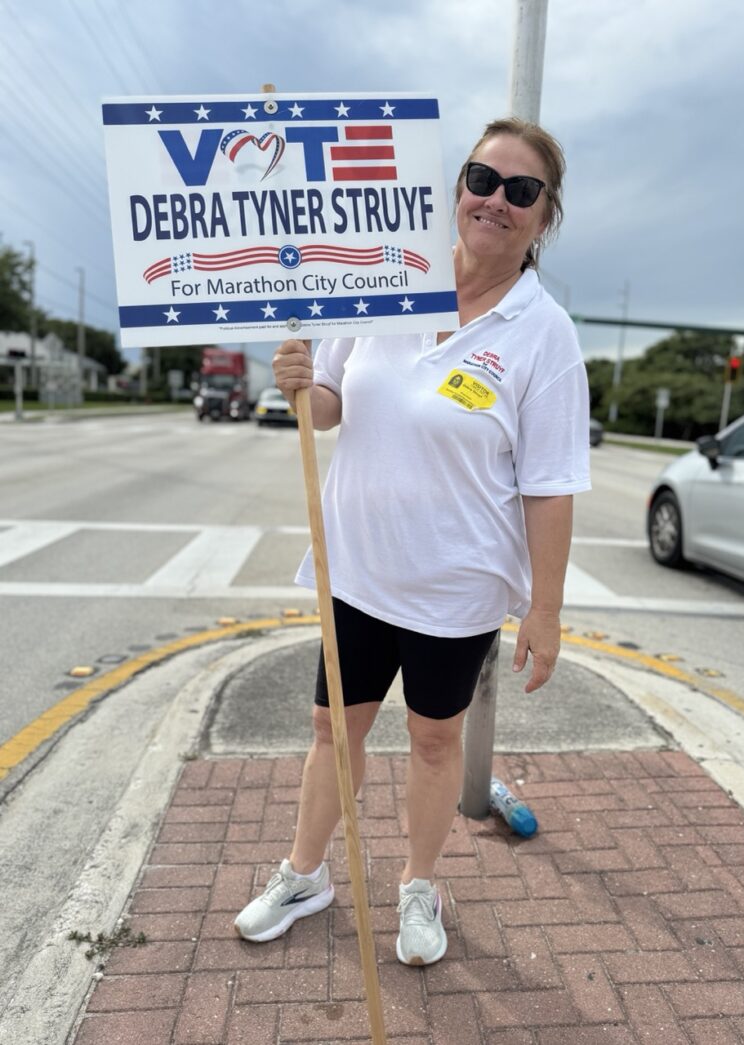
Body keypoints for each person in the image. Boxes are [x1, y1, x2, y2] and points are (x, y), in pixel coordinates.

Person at [234, 116, 591, 966]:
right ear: (456, 187)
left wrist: (546, 608)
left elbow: (549, 486)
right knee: (333, 730)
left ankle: (419, 884)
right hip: (356, 570)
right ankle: (306, 871)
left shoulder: (546, 335)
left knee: (435, 743)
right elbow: (330, 403)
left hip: (455, 588)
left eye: (522, 190)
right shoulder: (385, 279)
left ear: (544, 218)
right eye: (481, 178)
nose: (495, 200)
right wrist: (299, 383)